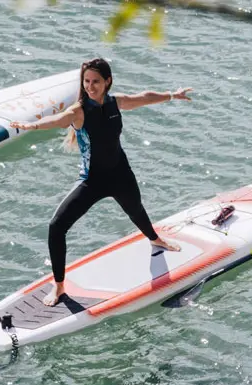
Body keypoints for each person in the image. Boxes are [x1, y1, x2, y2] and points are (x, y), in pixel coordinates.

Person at [10, 58, 193, 306]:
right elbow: (58, 120)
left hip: (120, 174)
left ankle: (155, 239)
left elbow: (144, 97)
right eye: (86, 81)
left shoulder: (115, 102)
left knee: (136, 209)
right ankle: (60, 287)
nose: (90, 86)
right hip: (92, 181)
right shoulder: (79, 110)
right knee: (57, 226)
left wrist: (172, 95)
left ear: (107, 81)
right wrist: (32, 125)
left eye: (96, 81)